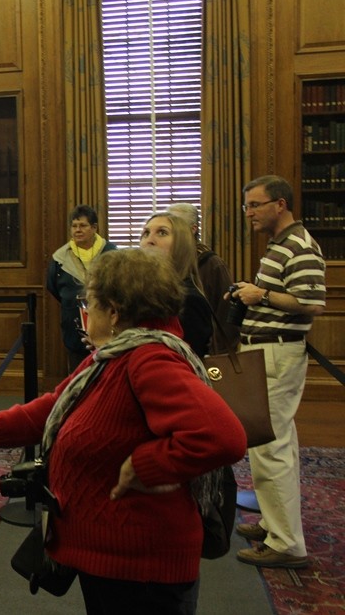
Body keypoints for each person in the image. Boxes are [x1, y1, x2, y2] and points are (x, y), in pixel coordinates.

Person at [0, 248, 246, 615]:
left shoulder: (149, 358)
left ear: (114, 311)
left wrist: (144, 465)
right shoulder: (112, 357)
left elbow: (223, 436)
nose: (85, 312)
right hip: (114, 561)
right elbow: (55, 407)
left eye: (89, 302)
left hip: (142, 572)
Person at [229, 175, 325, 569]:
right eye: (247, 206)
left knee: (272, 447)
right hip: (266, 353)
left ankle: (286, 544)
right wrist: (252, 291)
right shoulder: (280, 244)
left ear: (280, 204)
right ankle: (273, 524)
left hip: (278, 353)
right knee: (269, 445)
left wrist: (262, 294)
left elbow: (312, 302)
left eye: (255, 205)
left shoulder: (299, 245)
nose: (249, 213)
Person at [46, 205, 117, 372]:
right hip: (74, 329)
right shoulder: (60, 258)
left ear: (94, 227)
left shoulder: (112, 254)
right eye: (74, 226)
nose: (77, 230)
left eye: (83, 226)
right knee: (78, 375)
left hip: (108, 327)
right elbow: (53, 287)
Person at [139, 212, 212, 357]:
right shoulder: (139, 293)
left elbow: (189, 359)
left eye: (162, 232)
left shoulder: (189, 299)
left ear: (181, 245)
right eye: (146, 233)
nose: (149, 240)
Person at [167, 203, 238, 351]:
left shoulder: (212, 264)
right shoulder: (165, 264)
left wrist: (217, 352)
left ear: (193, 229)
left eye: (178, 225)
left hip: (205, 350)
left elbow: (226, 314)